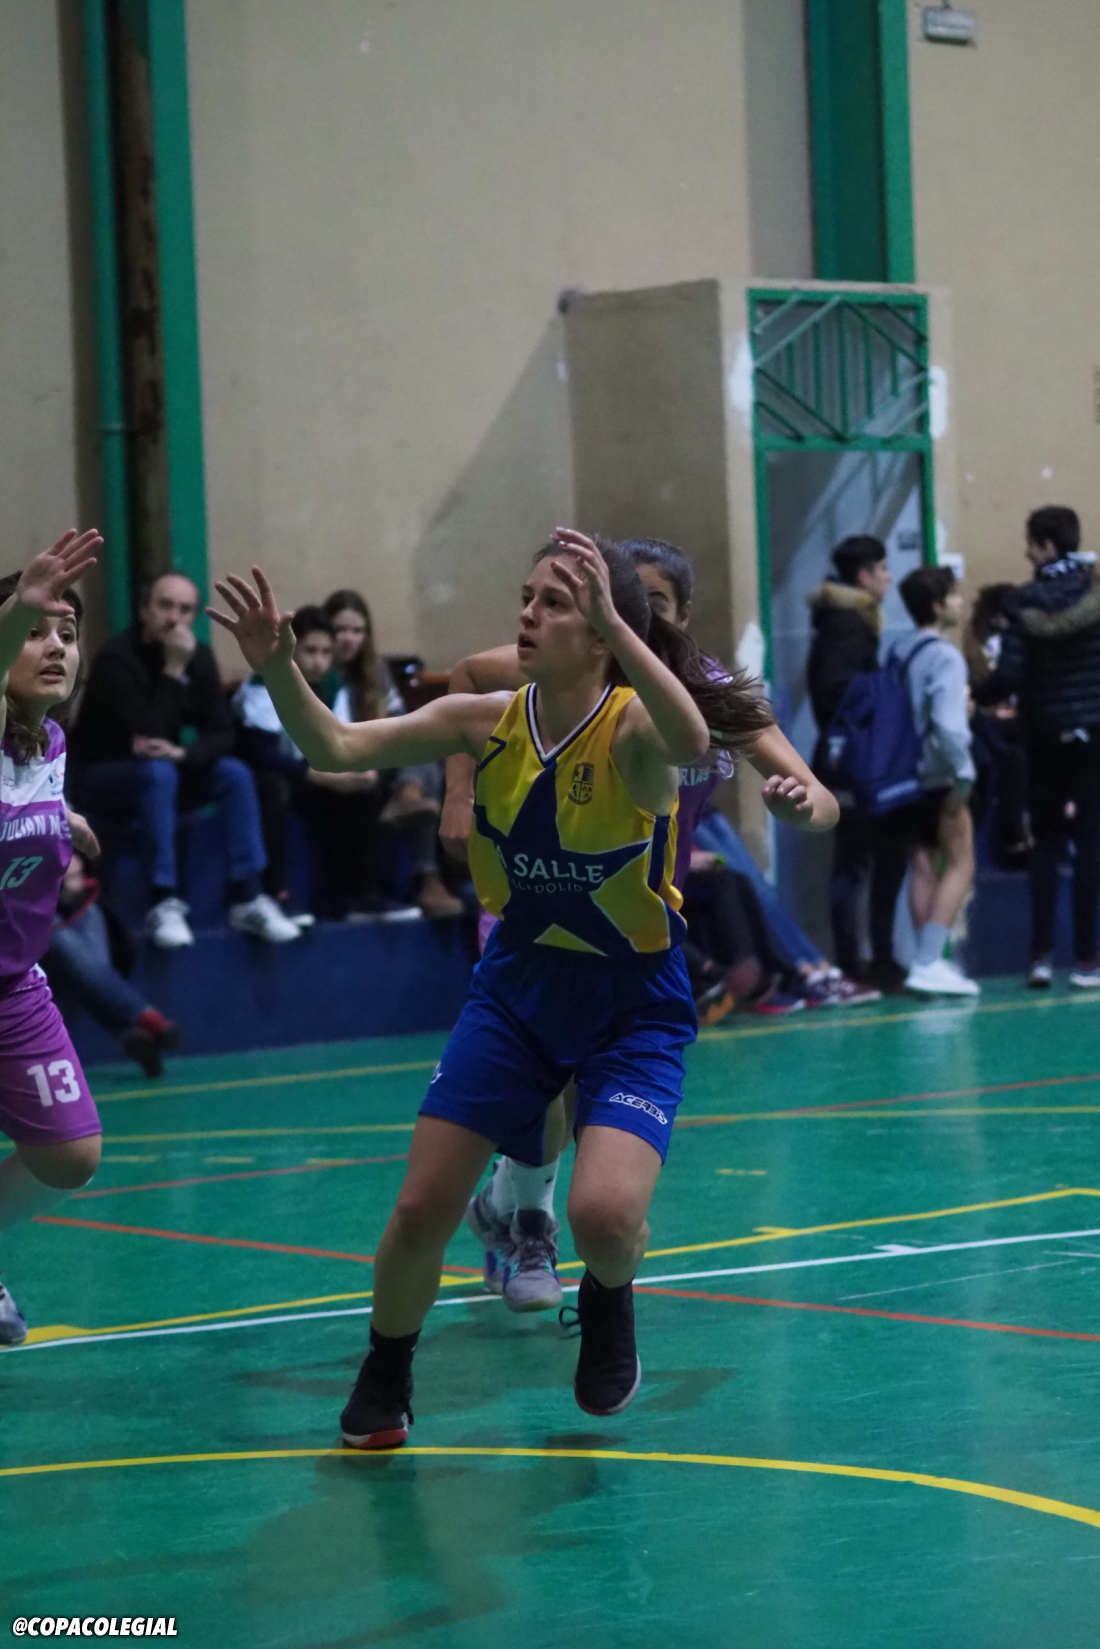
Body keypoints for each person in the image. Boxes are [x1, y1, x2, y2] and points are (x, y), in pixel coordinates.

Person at [208, 531, 838, 1447]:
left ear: (608, 631)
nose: (527, 614)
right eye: (527, 596)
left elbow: (695, 739)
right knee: (420, 1207)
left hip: (633, 999)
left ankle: (608, 1294)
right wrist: (276, 669)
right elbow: (337, 745)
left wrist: (625, 632)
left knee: (606, 1215)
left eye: (554, 602)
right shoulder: (489, 716)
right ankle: (386, 1370)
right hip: (518, 986)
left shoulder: (640, 724)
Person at [443, 536, 864, 1313]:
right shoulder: (568, 671)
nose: (629, 615)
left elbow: (822, 798)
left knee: (584, 1084)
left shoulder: (702, 695)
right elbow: (467, 676)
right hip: (536, 893)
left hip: (633, 916)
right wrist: (459, 794)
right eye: (612, 601)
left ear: (681, 614)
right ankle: (531, 1224)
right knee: (548, 1071)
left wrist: (802, 804)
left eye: (650, 604)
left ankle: (506, 1202)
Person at [0, 530, 107, 1346]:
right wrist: (18, 608)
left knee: (71, 1154)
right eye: (36, 631)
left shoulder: (50, 743)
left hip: (13, 986)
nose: (56, 647)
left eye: (67, 634)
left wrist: (63, 819)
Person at [69, 571, 300, 947]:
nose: (174, 618)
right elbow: (148, 732)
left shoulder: (199, 656)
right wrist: (174, 669)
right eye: (165, 606)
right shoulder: (116, 659)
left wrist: (185, 753)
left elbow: (222, 732)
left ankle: (247, 895)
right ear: (144, 611)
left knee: (233, 773)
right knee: (159, 773)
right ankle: (163, 900)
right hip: (101, 779)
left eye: (185, 609)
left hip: (163, 772)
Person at [974, 506, 1100, 988]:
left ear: (1047, 546)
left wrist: (978, 696)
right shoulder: (1095, 591)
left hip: (1045, 734)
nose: (1027, 553)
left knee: (1046, 842)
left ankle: (1041, 956)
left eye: (1031, 543)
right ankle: (1087, 959)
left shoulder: (1023, 602)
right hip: (1094, 732)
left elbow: (1008, 675)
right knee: (1090, 842)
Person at [322, 589, 462, 919]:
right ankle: (427, 875)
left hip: (380, 758)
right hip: (340, 761)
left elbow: (400, 724)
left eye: (357, 631)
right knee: (421, 760)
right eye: (340, 630)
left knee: (427, 749)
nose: (349, 639)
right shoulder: (320, 672)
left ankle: (411, 802)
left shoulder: (375, 672)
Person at [808, 536, 908, 989]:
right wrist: (882, 700)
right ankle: (861, 962)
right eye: (883, 569)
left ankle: (867, 959)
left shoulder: (842, 621)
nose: (889, 578)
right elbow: (835, 689)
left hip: (851, 757)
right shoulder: (848, 625)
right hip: (857, 760)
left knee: (859, 860)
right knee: (860, 861)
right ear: (864, 576)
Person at [889, 566, 978, 996]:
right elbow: (946, 724)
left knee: (921, 864)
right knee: (961, 862)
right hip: (941, 773)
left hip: (904, 775)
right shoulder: (945, 656)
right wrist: (964, 773)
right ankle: (929, 960)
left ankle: (924, 963)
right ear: (938, 605)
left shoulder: (899, 651)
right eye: (954, 595)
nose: (960, 602)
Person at [233, 604, 336, 923]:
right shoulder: (263, 683)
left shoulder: (332, 687)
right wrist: (314, 774)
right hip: (262, 774)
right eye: (310, 651)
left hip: (305, 772)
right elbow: (261, 754)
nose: (318, 661)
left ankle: (351, 896)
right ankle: (275, 893)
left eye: (326, 652)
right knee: (274, 788)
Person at [44, 852, 182, 1076]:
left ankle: (132, 1033)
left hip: (69, 906)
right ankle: (147, 1019)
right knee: (57, 940)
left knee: (87, 931)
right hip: (26, 924)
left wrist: (70, 862)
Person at [964, 583, 1031, 866]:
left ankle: (1018, 833)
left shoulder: (999, 645)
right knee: (1014, 758)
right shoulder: (982, 648)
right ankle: (1017, 834)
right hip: (994, 722)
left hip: (1009, 720)